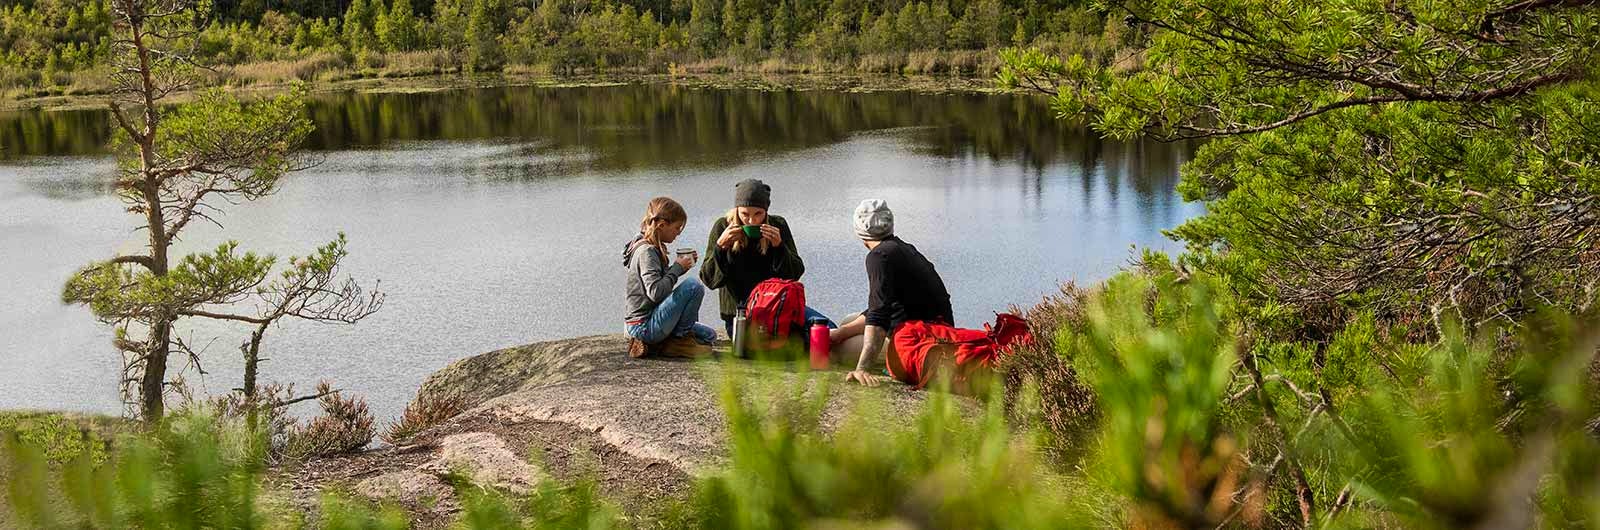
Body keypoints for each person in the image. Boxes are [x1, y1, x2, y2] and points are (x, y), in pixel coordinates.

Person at [830, 199, 956, 387]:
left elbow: (879, 314)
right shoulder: (900, 248)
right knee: (847, 322)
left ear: (860, 233)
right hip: (934, 329)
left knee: (839, 350)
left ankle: (886, 365)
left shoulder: (879, 257)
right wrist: (841, 332)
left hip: (921, 341)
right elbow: (885, 305)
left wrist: (862, 368)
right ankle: (845, 335)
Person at [700, 178, 834, 338]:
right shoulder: (723, 226)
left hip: (778, 307)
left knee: (827, 329)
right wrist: (720, 247)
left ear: (766, 211)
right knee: (778, 346)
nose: (751, 220)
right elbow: (709, 280)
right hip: (741, 316)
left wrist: (779, 247)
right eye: (745, 214)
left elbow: (795, 274)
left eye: (758, 214)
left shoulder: (778, 225)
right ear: (736, 210)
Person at [623, 196, 717, 358]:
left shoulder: (648, 245)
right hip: (643, 325)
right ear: (662, 225)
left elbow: (656, 290)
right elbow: (656, 292)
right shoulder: (647, 252)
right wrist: (677, 268)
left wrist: (679, 268)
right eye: (677, 228)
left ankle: (661, 344)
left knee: (709, 336)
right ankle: (677, 342)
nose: (678, 233)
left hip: (649, 320)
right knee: (694, 287)